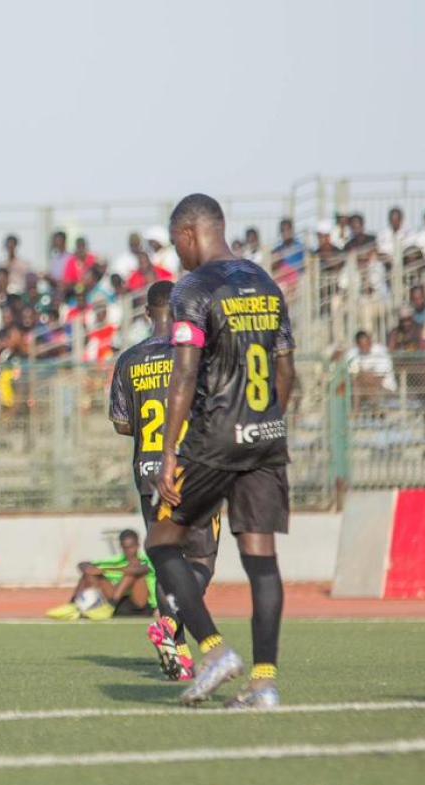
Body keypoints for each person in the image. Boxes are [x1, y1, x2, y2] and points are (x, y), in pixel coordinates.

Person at [147, 193, 295, 709]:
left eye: (176, 245)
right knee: (261, 557)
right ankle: (265, 682)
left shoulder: (194, 288)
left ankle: (213, 650)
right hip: (265, 434)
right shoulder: (265, 283)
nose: (178, 256)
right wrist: (267, 422)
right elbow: (286, 370)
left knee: (162, 541)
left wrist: (170, 452)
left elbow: (185, 374)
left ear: (190, 233)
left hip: (215, 436)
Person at [107, 280, 221, 681]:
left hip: (149, 474)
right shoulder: (194, 352)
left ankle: (180, 651)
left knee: (168, 561)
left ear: (146, 314)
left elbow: (122, 423)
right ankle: (169, 624)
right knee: (202, 559)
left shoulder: (129, 359)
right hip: (192, 469)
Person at [47, 530, 156, 621]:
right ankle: (73, 604)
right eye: (125, 547)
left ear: (138, 545)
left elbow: (139, 570)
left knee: (132, 573)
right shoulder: (116, 560)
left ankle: (111, 605)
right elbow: (82, 565)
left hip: (140, 605)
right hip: (119, 605)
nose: (129, 551)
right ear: (121, 547)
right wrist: (91, 570)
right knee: (88, 574)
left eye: (131, 547)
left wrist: (104, 570)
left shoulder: (146, 560)